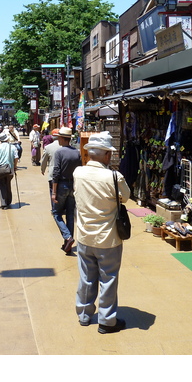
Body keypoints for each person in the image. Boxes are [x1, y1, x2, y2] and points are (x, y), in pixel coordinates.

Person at [73, 131, 130, 334]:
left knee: (87, 277)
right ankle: (107, 320)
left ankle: (85, 315)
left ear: (89, 154)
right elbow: (126, 197)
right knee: (109, 278)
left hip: (84, 236)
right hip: (108, 238)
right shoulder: (115, 177)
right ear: (106, 155)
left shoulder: (78, 173)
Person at [51, 127, 82, 255]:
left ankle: (68, 237)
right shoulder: (77, 152)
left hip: (62, 185)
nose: (57, 139)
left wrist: (53, 192)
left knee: (56, 213)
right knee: (70, 214)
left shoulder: (59, 152)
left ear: (62, 138)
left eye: (58, 137)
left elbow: (56, 172)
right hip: (73, 185)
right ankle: (67, 244)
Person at [0, 131, 19, 209]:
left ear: (0, 140)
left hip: (0, 169)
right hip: (10, 169)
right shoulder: (12, 147)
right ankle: (8, 201)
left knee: (1, 186)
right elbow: (16, 158)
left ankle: (4, 203)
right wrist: (15, 166)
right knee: (8, 185)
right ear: (7, 139)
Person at [40, 128, 61, 213]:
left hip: (52, 174)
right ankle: (62, 208)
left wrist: (43, 169)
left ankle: (54, 208)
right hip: (65, 174)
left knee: (53, 191)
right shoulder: (66, 147)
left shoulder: (48, 147)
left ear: (52, 137)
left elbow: (44, 160)